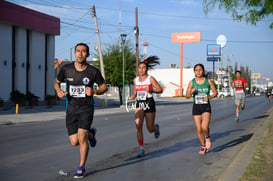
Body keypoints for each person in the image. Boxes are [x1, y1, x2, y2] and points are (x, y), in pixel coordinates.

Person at [54, 43, 107, 178]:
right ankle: (91, 135)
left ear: (88, 54)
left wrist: (94, 91)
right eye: (78, 51)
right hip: (71, 109)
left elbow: (104, 86)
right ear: (75, 53)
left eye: (83, 51)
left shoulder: (92, 71)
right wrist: (59, 90)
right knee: (74, 142)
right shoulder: (66, 69)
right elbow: (56, 82)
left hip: (86, 108)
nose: (80, 53)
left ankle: (81, 166)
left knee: (81, 136)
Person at [129, 56, 163, 157]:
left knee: (149, 129)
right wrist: (133, 95)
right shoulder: (136, 80)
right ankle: (141, 148)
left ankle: (155, 129)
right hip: (140, 102)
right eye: (140, 68)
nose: (141, 70)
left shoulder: (150, 79)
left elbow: (160, 89)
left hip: (149, 102)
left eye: (143, 68)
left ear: (146, 69)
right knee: (138, 125)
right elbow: (135, 91)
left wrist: (151, 90)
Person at [186, 64, 217, 155]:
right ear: (194, 72)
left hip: (206, 106)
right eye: (196, 70)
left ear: (203, 71)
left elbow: (215, 92)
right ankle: (203, 146)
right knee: (199, 129)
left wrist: (209, 97)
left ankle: (207, 137)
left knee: (204, 126)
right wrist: (191, 92)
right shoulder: (192, 82)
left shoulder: (208, 81)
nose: (198, 72)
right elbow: (187, 96)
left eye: (200, 70)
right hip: (196, 106)